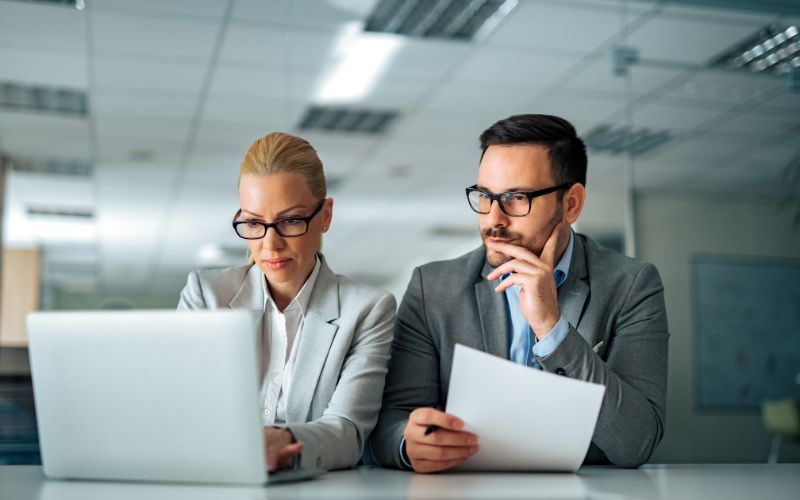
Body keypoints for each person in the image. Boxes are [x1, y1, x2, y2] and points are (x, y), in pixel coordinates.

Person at [369, 114, 669, 472]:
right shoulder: (432, 289)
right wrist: (408, 443)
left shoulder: (631, 286)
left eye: (515, 197)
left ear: (571, 203)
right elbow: (390, 424)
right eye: (484, 196)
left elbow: (637, 442)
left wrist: (552, 329)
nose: (493, 219)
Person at [178, 132, 396, 471]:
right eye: (253, 223)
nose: (270, 244)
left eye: (290, 220)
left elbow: (348, 432)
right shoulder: (207, 296)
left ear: (324, 215)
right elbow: (180, 408)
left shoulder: (366, 310)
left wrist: (282, 442)